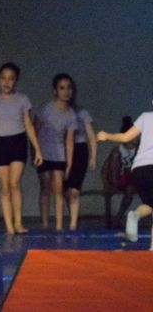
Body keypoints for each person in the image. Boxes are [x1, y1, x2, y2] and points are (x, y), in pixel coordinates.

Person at [0, 62, 43, 235]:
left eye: (11, 79)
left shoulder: (22, 100)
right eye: (4, 78)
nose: (7, 82)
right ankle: (9, 226)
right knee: (5, 186)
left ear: (16, 81)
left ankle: (18, 223)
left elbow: (28, 125)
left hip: (18, 141)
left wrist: (37, 149)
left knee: (15, 183)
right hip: (0, 143)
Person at [99, 108, 153, 248]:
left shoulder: (145, 116)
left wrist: (106, 135)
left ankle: (135, 215)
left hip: (140, 169)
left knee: (150, 205)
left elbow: (125, 137)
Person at [34, 73, 77, 231]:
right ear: (55, 91)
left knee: (58, 189)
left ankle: (59, 226)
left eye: (69, 88)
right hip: (43, 153)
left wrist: (69, 163)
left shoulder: (71, 114)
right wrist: (35, 152)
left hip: (59, 155)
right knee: (45, 188)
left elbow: (69, 141)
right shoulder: (47, 108)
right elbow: (35, 130)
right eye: (62, 88)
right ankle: (45, 224)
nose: (66, 91)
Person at [63, 83, 98, 230]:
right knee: (65, 190)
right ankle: (72, 216)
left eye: (70, 89)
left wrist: (93, 156)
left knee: (74, 190)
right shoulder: (57, 111)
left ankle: (73, 224)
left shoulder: (82, 112)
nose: (67, 92)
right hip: (61, 150)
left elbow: (91, 135)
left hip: (79, 150)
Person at [101, 116, 138, 228]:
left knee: (131, 190)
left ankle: (118, 217)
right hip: (117, 178)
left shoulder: (138, 150)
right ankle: (111, 220)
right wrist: (108, 183)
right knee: (111, 191)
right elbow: (106, 169)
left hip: (130, 179)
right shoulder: (117, 151)